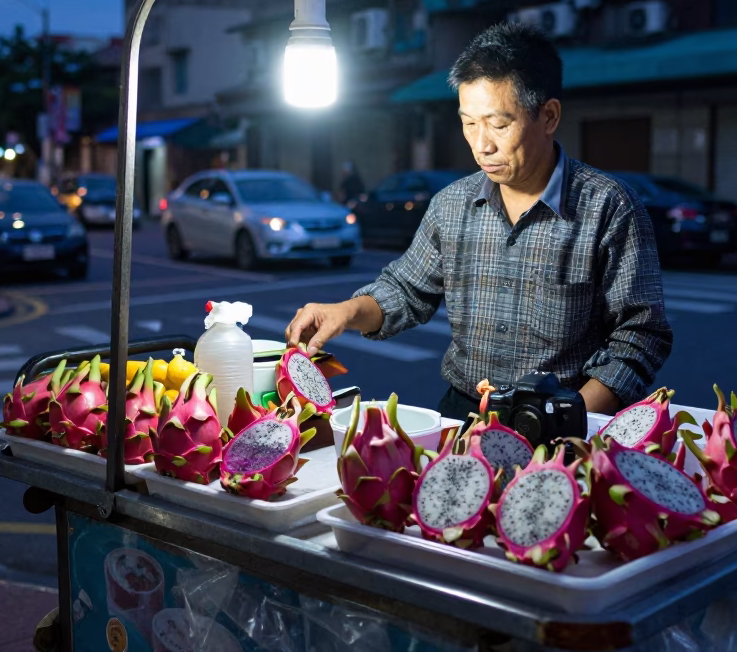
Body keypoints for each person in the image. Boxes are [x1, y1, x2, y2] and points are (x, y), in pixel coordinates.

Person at [286, 23, 672, 417]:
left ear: (549, 116)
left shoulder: (609, 207)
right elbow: (405, 290)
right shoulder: (451, 205)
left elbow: (640, 335)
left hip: (565, 412)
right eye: (469, 123)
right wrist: (344, 312)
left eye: (500, 124)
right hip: (463, 410)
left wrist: (572, 418)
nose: (482, 145)